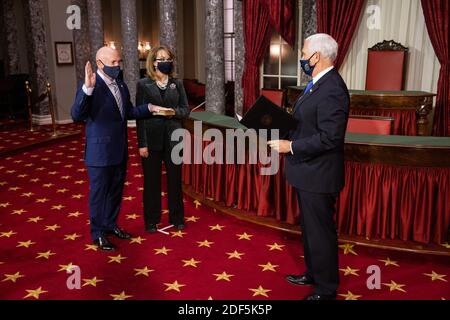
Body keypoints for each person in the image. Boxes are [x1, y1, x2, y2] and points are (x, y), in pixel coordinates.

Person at [268, 33, 350, 300]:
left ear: (317, 56)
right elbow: (307, 123)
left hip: (320, 174)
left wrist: (290, 147)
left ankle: (326, 290)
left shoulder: (333, 88)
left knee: (321, 233)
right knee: (311, 231)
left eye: (304, 53)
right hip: (307, 172)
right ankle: (313, 274)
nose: (301, 57)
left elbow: (330, 137)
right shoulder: (317, 84)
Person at [71, 46, 165, 251]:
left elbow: (128, 111)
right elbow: (76, 115)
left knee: (115, 192)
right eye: (113, 63)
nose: (117, 66)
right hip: (99, 154)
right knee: (99, 195)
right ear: (99, 64)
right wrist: (87, 89)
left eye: (118, 62)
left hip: (119, 150)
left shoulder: (121, 86)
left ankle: (111, 225)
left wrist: (149, 108)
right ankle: (98, 234)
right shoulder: (90, 85)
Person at [136, 46, 190, 233]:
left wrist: (173, 112)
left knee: (175, 181)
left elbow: (185, 110)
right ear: (153, 62)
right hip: (151, 140)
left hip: (174, 138)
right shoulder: (143, 84)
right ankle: (151, 220)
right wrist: (142, 144)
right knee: (152, 182)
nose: (165, 61)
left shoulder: (178, 84)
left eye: (168, 58)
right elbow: (140, 116)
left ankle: (177, 218)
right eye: (161, 59)